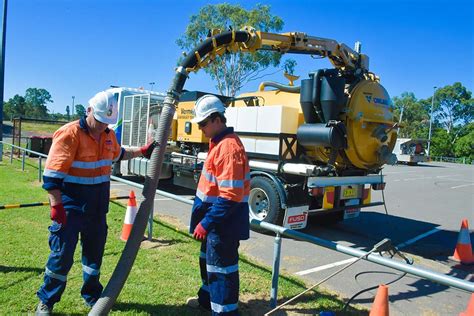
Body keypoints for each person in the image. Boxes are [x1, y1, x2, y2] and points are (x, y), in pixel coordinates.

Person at [35, 90, 158, 315]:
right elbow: (52, 177)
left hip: (97, 209)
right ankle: (46, 301)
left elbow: (119, 154)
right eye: (100, 121)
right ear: (89, 111)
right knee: (61, 256)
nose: (102, 127)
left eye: (107, 123)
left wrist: (141, 151)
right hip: (71, 207)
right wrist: (56, 207)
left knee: (93, 257)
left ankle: (92, 296)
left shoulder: (109, 135)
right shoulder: (70, 134)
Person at [187, 94, 250, 315]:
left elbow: (230, 196)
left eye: (203, 123)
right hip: (215, 223)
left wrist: (206, 223)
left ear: (216, 119)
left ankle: (224, 311)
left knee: (222, 271)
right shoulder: (219, 144)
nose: (201, 128)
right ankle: (206, 300)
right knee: (209, 264)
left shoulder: (228, 148)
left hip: (223, 225)